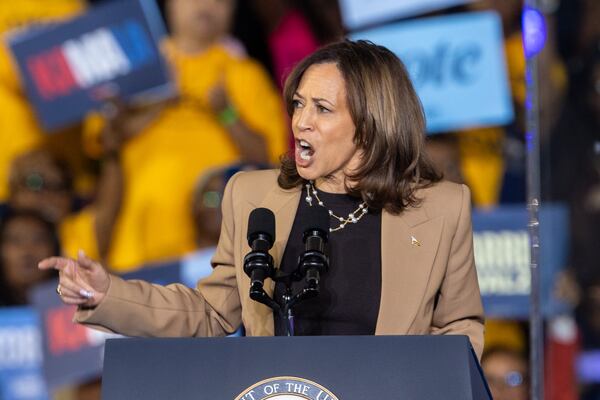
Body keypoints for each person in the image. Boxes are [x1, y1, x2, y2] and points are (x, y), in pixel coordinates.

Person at [39, 40, 484, 358]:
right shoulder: (254, 195)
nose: (300, 122)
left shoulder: (440, 208)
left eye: (322, 109)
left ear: (371, 123)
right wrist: (107, 294)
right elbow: (211, 313)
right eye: (298, 104)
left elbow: (460, 327)